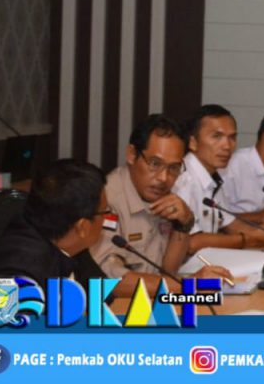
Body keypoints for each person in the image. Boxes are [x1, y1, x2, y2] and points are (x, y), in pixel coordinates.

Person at [90, 114, 231, 295]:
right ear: (132, 155)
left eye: (174, 168)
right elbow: (109, 281)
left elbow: (167, 271)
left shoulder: (164, 196)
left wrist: (184, 224)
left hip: (154, 300)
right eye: (155, 164)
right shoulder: (105, 200)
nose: (164, 178)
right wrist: (188, 285)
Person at [0, 160, 108, 294]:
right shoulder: (19, 276)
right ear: (82, 227)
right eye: (105, 212)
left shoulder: (70, 246)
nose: (106, 219)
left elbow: (101, 294)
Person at [173, 104, 264, 252]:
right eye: (217, 136)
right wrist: (249, 239)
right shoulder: (184, 179)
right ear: (193, 142)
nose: (227, 146)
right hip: (188, 266)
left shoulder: (213, 177)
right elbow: (191, 243)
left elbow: (232, 224)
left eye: (232, 137)